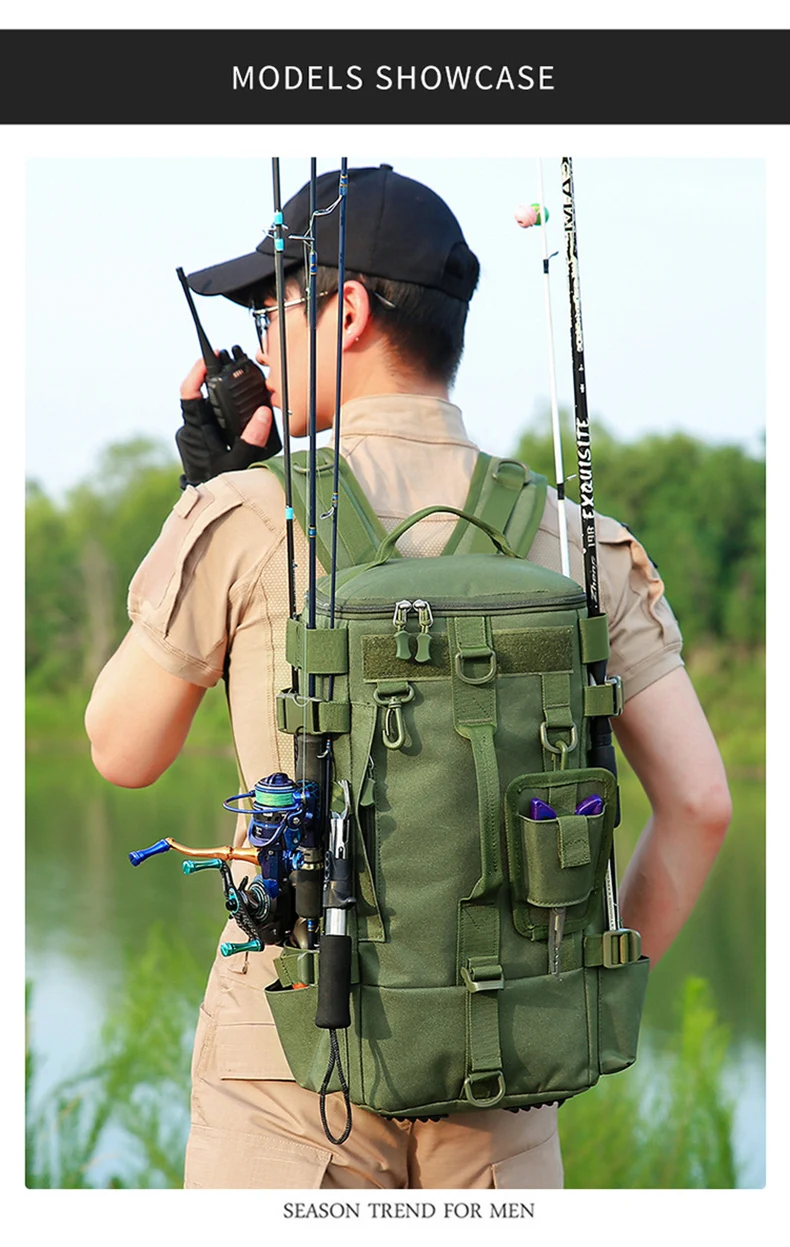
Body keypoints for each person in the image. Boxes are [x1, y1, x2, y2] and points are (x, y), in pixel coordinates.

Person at [84, 162, 731, 1190]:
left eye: (270, 311)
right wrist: (570, 993)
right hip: (507, 1075)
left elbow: (121, 750)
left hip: (290, 1073)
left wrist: (204, 494)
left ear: (345, 312)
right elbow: (699, 803)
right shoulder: (576, 540)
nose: (258, 344)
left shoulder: (243, 516)